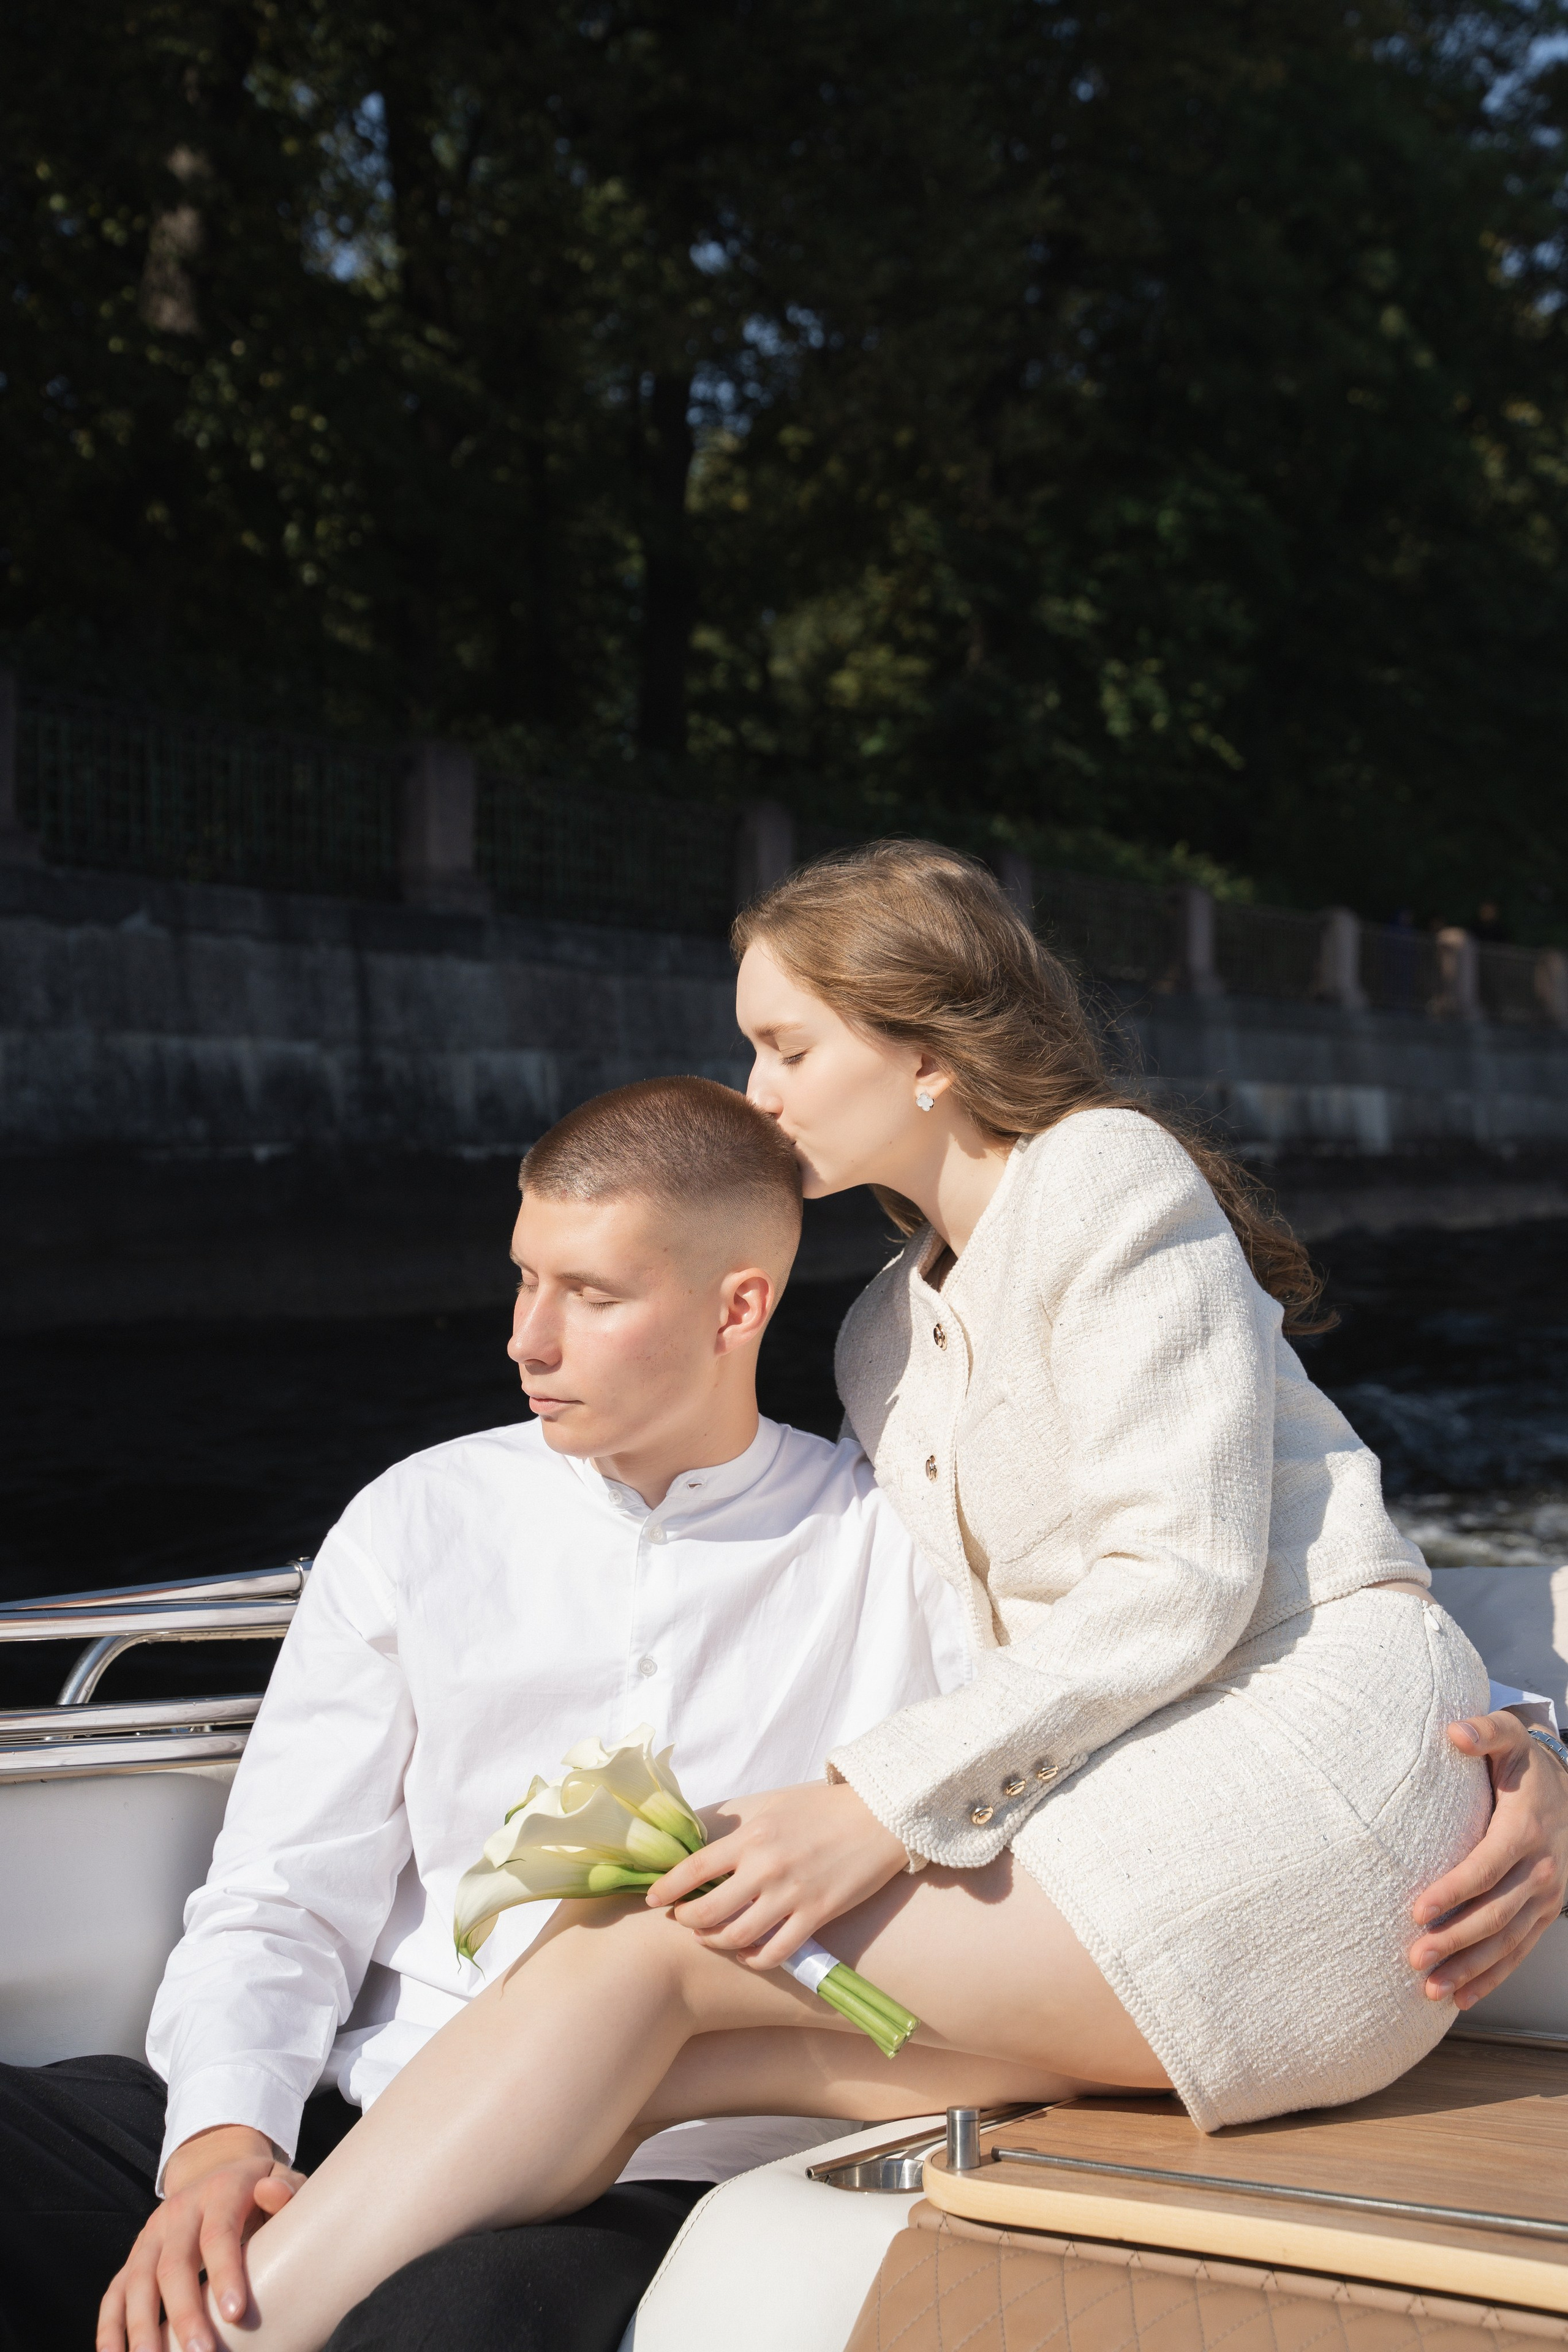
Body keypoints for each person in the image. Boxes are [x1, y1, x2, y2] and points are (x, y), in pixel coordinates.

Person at [105, 842, 1568, 2352]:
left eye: (786, 1046)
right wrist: (229, 2123)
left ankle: (238, 2333)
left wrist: (870, 1804)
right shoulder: (883, 1333)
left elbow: (1190, 1576)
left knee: (640, 1944)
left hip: (1313, 1821)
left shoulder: (1104, 1175)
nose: (754, 1092)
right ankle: (274, 2293)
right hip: (1168, 1851)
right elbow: (1011, 1632)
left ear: (923, 1055)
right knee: (646, 2039)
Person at [8, 1076, 978, 2352]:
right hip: (356, 2102)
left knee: (452, 2326)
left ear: (735, 1307)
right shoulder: (420, 1517)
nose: (527, 1340)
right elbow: (282, 1893)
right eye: (526, 1280)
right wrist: (220, 2149)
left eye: (590, 1295)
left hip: (656, 2167)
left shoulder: (890, 1553)